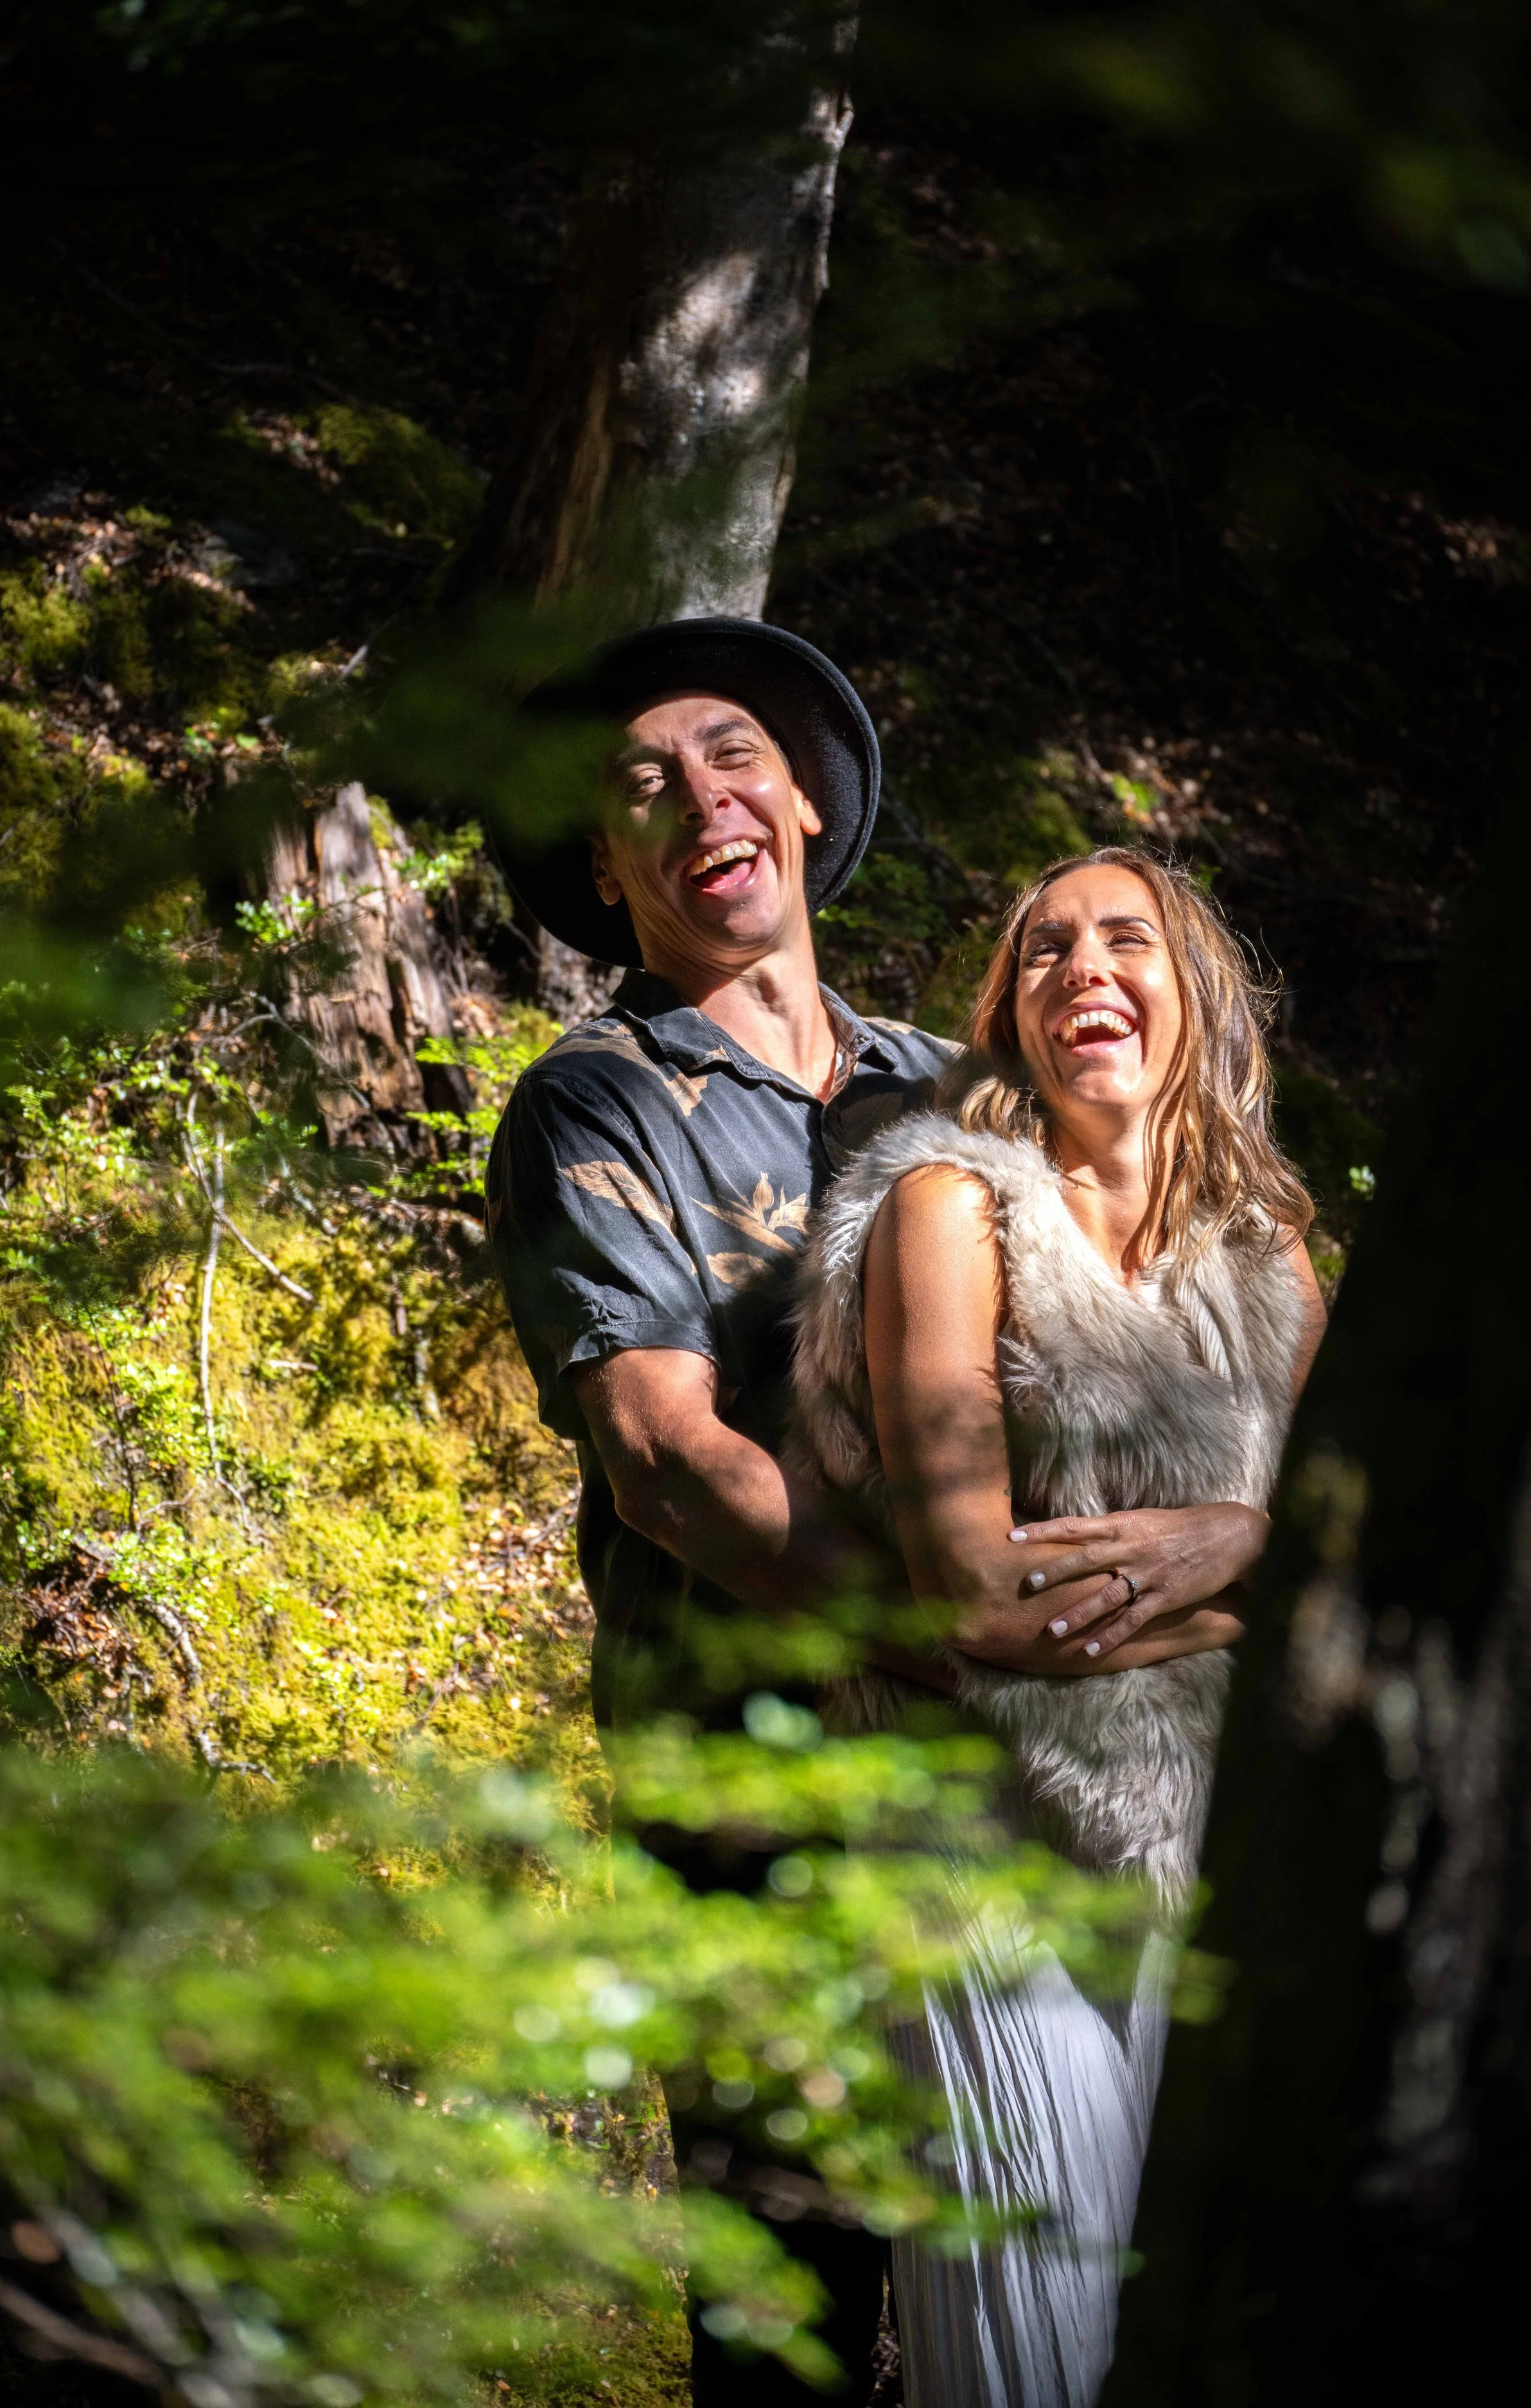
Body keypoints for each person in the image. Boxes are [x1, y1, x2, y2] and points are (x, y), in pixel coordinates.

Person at [484, 616, 955, 2404]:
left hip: (1009, 1777)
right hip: (757, 1793)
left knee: (1048, 2249)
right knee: (797, 2322)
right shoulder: (595, 1102)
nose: (701, 796)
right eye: (642, 784)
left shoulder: (956, 1087)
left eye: (732, 751)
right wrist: (947, 1634)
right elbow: (669, 1461)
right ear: (606, 871)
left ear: (805, 800)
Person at [789, 847, 1327, 2408]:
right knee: (1031, 2334)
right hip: (972, 1831)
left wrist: (1246, 1533)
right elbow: (968, 1587)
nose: (1081, 969)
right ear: (1009, 1012)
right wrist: (1244, 1598)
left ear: (1196, 995)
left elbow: (1350, 1562)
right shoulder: (946, 1206)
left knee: (1191, 2323)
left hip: (1201, 1837)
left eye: (1124, 940)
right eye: (1041, 951)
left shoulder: (1268, 1253)